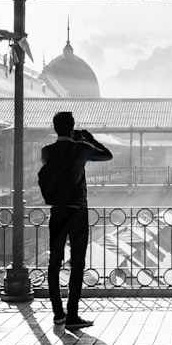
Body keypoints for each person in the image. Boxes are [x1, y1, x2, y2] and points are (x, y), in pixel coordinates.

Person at [40, 111, 113, 331]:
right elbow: (107, 155)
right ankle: (72, 314)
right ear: (72, 128)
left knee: (54, 262)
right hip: (78, 210)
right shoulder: (81, 148)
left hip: (57, 211)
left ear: (55, 128)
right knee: (78, 262)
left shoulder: (47, 151)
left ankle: (57, 313)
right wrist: (88, 139)